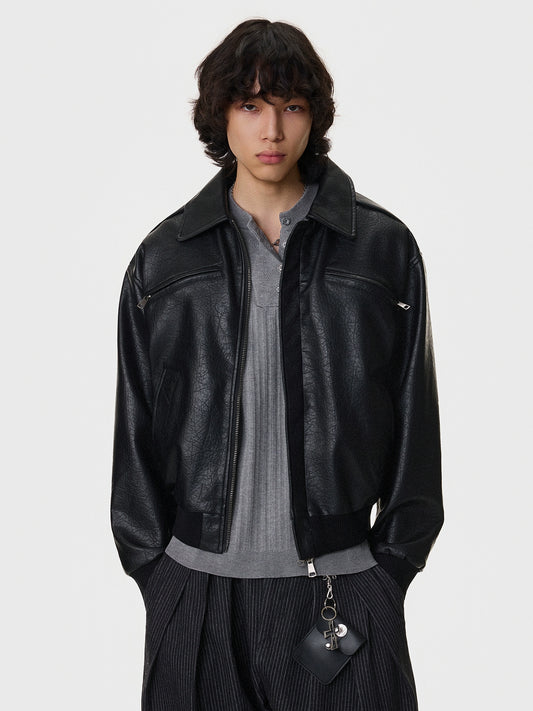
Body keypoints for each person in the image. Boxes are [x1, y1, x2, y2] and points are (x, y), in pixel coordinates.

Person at [111, 18, 444, 711]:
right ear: (221, 116)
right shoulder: (164, 260)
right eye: (250, 105)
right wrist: (159, 576)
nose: (272, 130)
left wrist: (388, 572)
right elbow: (135, 430)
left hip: (344, 593)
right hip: (198, 595)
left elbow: (417, 423)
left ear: (314, 116)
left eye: (291, 106)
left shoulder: (381, 249)